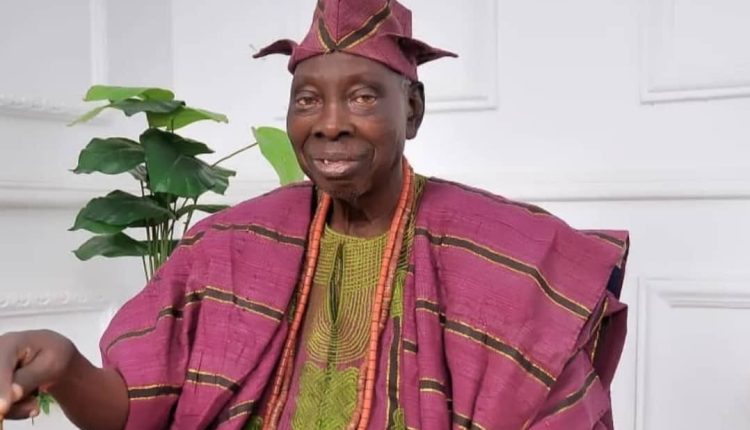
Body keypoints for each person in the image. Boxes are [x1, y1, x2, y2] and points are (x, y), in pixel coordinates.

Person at [0, 0, 630, 429]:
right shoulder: (226, 246)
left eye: (362, 97)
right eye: (307, 100)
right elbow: (138, 410)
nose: (329, 124)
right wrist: (66, 365)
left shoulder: (505, 255)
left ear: (412, 109)